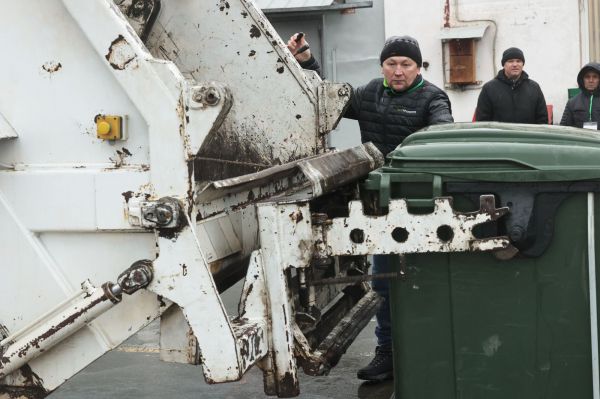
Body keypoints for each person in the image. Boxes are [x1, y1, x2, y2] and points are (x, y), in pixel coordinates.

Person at [288, 34, 453, 381]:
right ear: (382, 66)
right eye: (391, 63)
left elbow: (443, 139)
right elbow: (328, 99)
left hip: (417, 204)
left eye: (406, 64)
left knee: (423, 281)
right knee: (383, 282)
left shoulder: (433, 98)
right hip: (378, 204)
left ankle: (430, 353)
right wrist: (305, 61)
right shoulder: (369, 93)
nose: (398, 71)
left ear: (418, 66)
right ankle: (387, 353)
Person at [475, 47, 548, 124]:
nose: (515, 64)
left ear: (523, 64)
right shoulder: (489, 88)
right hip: (499, 136)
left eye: (518, 61)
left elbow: (542, 120)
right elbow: (482, 121)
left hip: (527, 136)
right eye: (510, 61)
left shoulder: (534, 88)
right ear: (504, 65)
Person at [560, 62, 600, 129]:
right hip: (580, 139)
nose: (591, 80)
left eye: (595, 77)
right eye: (587, 77)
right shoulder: (572, 102)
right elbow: (564, 129)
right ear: (582, 80)